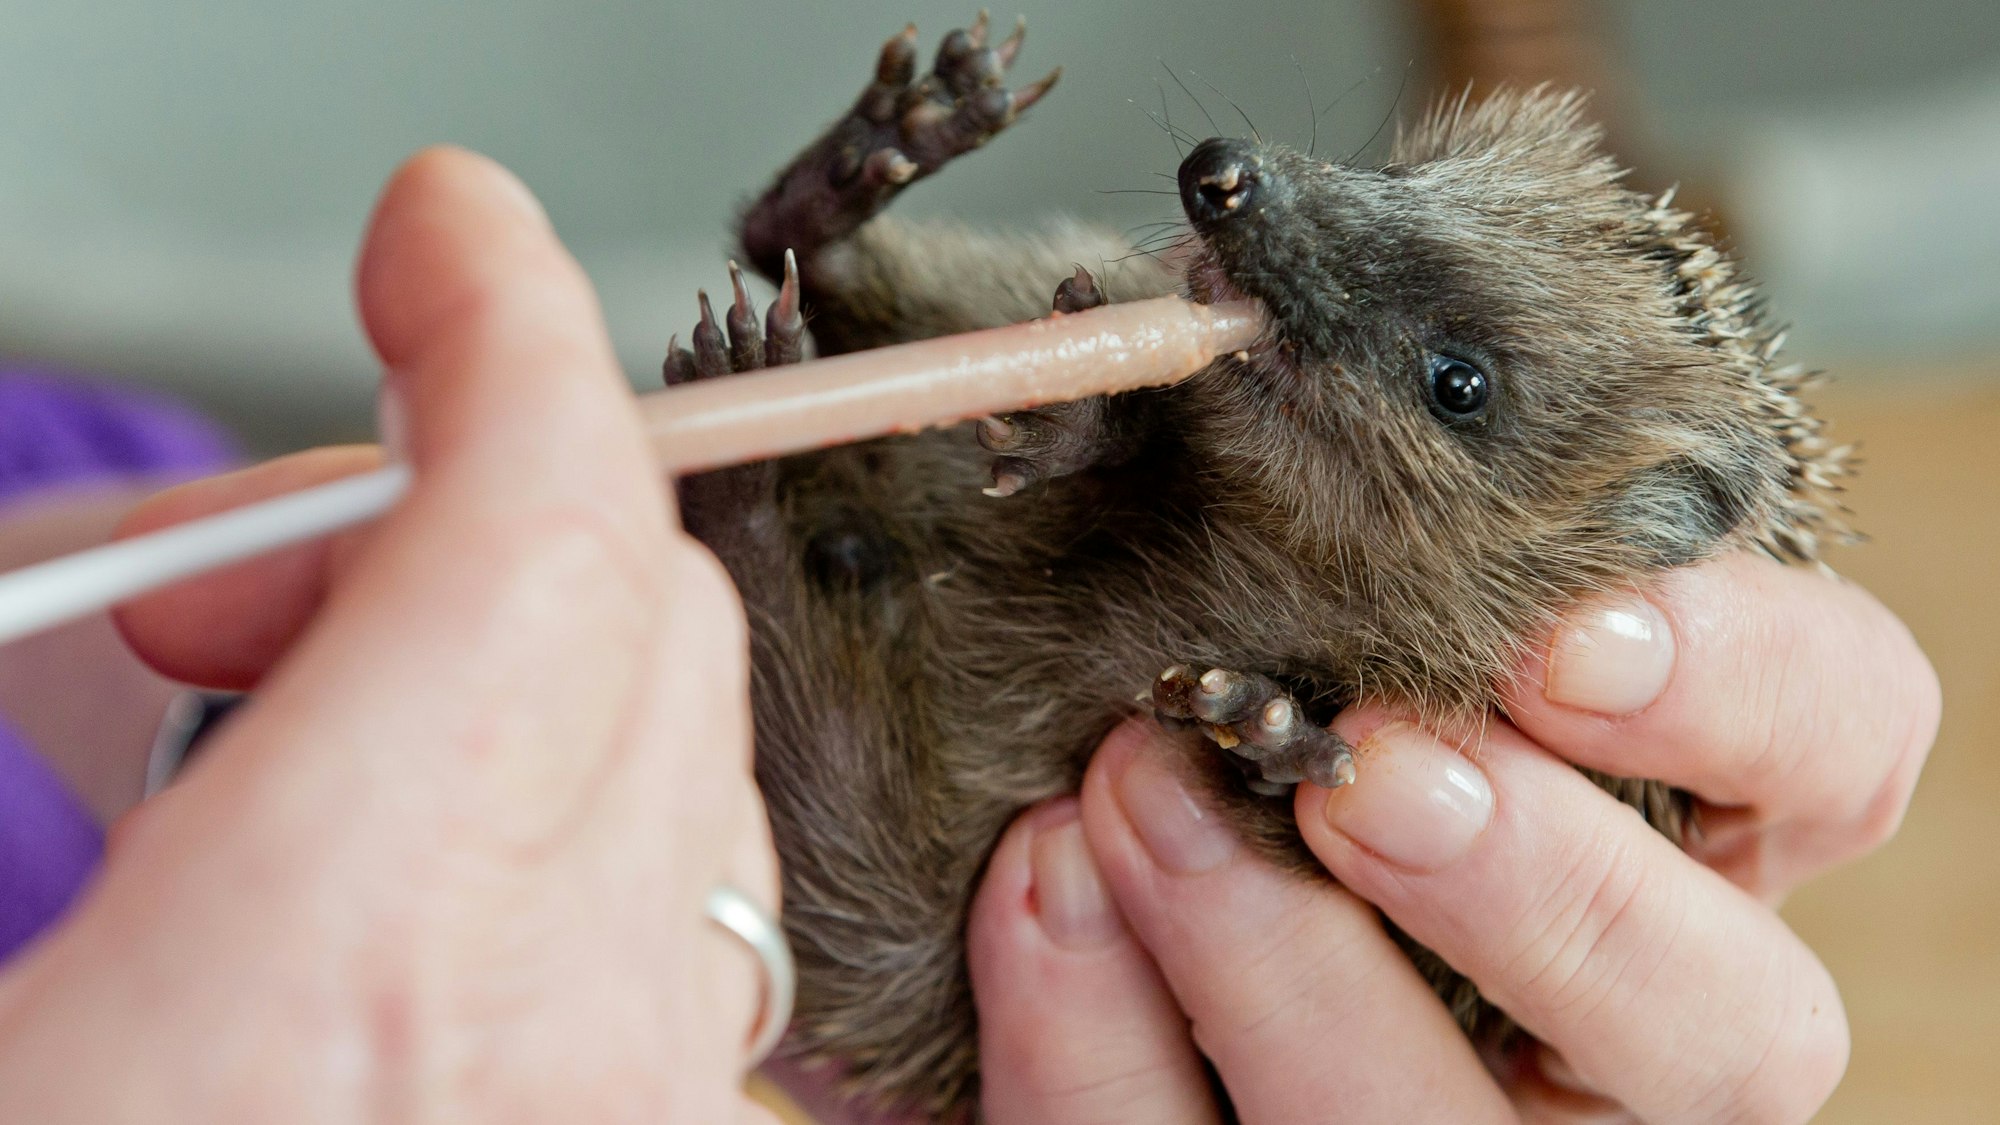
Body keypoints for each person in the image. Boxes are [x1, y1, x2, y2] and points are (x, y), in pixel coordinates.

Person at [0, 148, 1939, 1124]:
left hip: (854, 846)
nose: (1261, 194)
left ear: (1624, 537)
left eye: (1451, 381)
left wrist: (280, 700)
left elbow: (132, 600)